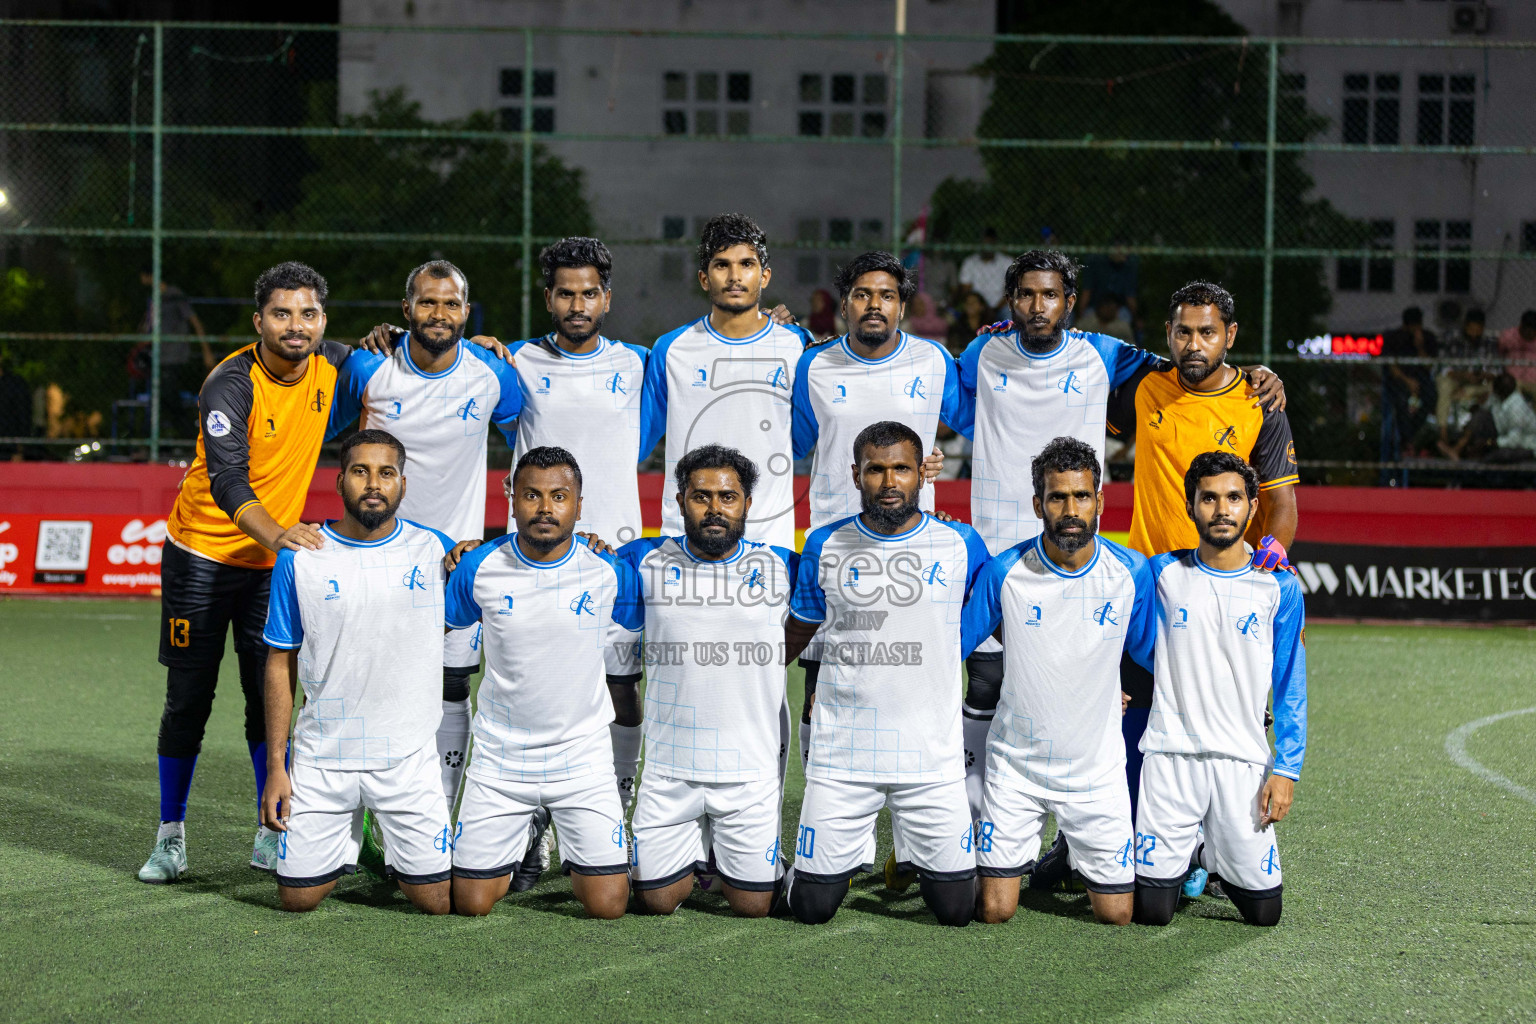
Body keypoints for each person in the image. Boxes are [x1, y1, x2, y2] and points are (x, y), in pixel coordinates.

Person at [952, 255, 1284, 834]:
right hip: (1031, 556)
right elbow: (952, 407)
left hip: (1116, 563)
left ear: (1069, 301)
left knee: (1109, 693)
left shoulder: (1108, 357)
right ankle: (981, 822)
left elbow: (1191, 374)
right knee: (992, 683)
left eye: (1049, 295)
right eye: (1025, 295)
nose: (1037, 306)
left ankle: (1175, 839)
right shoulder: (985, 354)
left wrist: (1255, 371)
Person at [139, 261, 348, 885]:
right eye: (281, 313)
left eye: (307, 313)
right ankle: (170, 836)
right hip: (201, 557)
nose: (295, 325)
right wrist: (280, 534)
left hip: (269, 566)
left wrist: (485, 346)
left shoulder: (335, 364)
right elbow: (229, 480)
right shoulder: (228, 384)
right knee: (188, 701)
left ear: (322, 321)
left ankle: (271, 829)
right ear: (259, 321)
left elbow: (406, 350)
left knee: (270, 699)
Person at [327, 260, 521, 847]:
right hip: (374, 556)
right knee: (360, 679)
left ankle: (433, 815)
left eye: (452, 304)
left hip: (451, 566)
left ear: (468, 312)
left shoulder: (494, 373)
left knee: (450, 686)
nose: (440, 314)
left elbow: (527, 445)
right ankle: (351, 818)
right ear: (406, 308)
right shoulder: (369, 365)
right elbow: (330, 433)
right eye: (428, 303)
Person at [780, 421, 990, 928]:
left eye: (901, 468)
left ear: (922, 473)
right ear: (856, 475)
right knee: (812, 910)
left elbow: (991, 619)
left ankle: (911, 855)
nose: (889, 481)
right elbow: (800, 629)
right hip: (845, 758)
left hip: (931, 761)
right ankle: (788, 868)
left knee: (957, 912)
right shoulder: (825, 543)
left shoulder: (961, 543)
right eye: (876, 469)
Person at [258, 429, 455, 914]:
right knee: (297, 899)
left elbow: (514, 566)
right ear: (340, 480)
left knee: (435, 902)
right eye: (361, 471)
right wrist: (276, 769)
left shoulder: (437, 551)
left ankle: (385, 841)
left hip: (406, 757)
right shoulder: (300, 556)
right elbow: (279, 662)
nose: (374, 483)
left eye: (386, 473)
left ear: (403, 485)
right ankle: (355, 838)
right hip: (324, 757)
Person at [961, 437, 1154, 926]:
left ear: (1100, 501)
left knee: (1117, 916)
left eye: (1082, 496)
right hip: (1016, 769)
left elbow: (1153, 655)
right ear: (1038, 504)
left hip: (1096, 771)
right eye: (1057, 497)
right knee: (995, 911)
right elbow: (950, 648)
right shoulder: (1005, 572)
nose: (1071, 509)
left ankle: (1069, 852)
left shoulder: (1130, 571)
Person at [445, 447, 643, 920]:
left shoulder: (610, 573)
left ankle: (587, 843)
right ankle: (529, 834)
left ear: (578, 503)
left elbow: (630, 652)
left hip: (582, 757)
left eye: (559, 496)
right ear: (511, 498)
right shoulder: (478, 568)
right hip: (501, 759)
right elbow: (447, 628)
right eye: (532, 495)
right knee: (470, 904)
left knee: (608, 905)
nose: (545, 508)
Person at [790, 251, 951, 814]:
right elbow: (788, 445)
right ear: (845, 305)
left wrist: (939, 460)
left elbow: (981, 417)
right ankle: (822, 808)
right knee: (820, 686)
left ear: (903, 306)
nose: (873, 305)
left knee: (912, 677)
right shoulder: (814, 366)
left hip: (912, 546)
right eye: (861, 295)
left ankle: (915, 827)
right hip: (834, 548)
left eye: (885, 296)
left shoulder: (934, 362)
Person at [612, 445, 797, 917]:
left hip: (748, 773)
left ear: (748, 505)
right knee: (655, 902)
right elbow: (567, 561)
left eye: (728, 497)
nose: (715, 509)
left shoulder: (783, 567)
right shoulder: (643, 560)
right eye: (701, 497)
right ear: (679, 502)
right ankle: (700, 850)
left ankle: (759, 862)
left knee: (755, 907)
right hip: (670, 771)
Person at [1132, 451, 1306, 928]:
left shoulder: (1278, 586)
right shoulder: (1161, 574)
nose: (1221, 509)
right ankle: (1188, 850)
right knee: (1151, 913)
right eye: (1208, 498)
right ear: (1191, 507)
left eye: (1234, 498)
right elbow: (1127, 637)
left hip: (1242, 761)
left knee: (1264, 914)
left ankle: (1213, 853)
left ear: (1252, 506)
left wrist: (1287, 769)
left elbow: (1291, 680)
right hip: (1171, 757)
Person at [641, 213, 813, 550]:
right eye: (722, 265)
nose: (735, 276)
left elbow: (807, 438)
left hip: (768, 538)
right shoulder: (670, 349)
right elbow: (635, 441)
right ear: (704, 278)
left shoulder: (797, 347)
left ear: (764, 276)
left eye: (746, 264)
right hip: (685, 537)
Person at [498, 238, 652, 550]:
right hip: (536, 544)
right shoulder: (514, 360)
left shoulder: (641, 362)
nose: (578, 307)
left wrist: (764, 327)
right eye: (566, 294)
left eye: (589, 294)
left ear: (606, 299)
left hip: (616, 542)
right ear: (548, 298)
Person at [1379, 307, 1439, 480]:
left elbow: (1429, 366)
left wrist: (1420, 346)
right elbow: (1390, 366)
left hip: (1422, 380)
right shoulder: (1393, 337)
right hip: (1400, 381)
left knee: (1431, 396)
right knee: (1401, 399)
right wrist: (1407, 381)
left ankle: (1409, 437)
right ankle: (1408, 442)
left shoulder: (1427, 338)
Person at [1438, 372, 1536, 462]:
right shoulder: (1498, 397)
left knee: (1493, 457)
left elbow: (1514, 440)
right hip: (1500, 434)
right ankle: (1457, 448)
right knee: (1481, 416)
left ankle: (1470, 455)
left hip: (1525, 446)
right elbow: (1484, 408)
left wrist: (1488, 442)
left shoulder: (1517, 408)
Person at [1435, 308, 1497, 446]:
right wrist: (1463, 376)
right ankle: (1443, 431)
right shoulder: (1452, 338)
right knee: (1444, 385)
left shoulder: (1489, 341)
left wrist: (1481, 376)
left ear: (1482, 328)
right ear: (1465, 326)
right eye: (1471, 329)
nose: (1474, 334)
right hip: (1456, 378)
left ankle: (1485, 439)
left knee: (1495, 386)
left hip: (1477, 382)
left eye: (1478, 330)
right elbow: (1444, 368)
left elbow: (1494, 371)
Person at [1078, 245, 1140, 328]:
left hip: (1118, 310)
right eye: (1120, 251)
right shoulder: (1097, 264)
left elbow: (1130, 299)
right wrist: (1079, 315)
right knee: (1085, 319)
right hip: (1096, 308)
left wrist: (1136, 319)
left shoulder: (1128, 268)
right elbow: (1086, 293)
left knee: (1126, 316)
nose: (1123, 255)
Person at [958, 228, 1008, 315]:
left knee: (1009, 312)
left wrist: (995, 309)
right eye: (984, 243)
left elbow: (1010, 293)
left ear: (995, 243)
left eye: (990, 243)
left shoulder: (1006, 262)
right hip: (977, 306)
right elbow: (966, 290)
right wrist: (978, 306)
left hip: (999, 307)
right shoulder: (970, 262)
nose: (987, 246)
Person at [1496, 310, 1536, 402]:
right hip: (1512, 382)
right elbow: (1499, 355)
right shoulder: (1508, 336)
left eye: (1533, 331)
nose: (1529, 334)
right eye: (1527, 331)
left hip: (1533, 382)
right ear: (1521, 326)